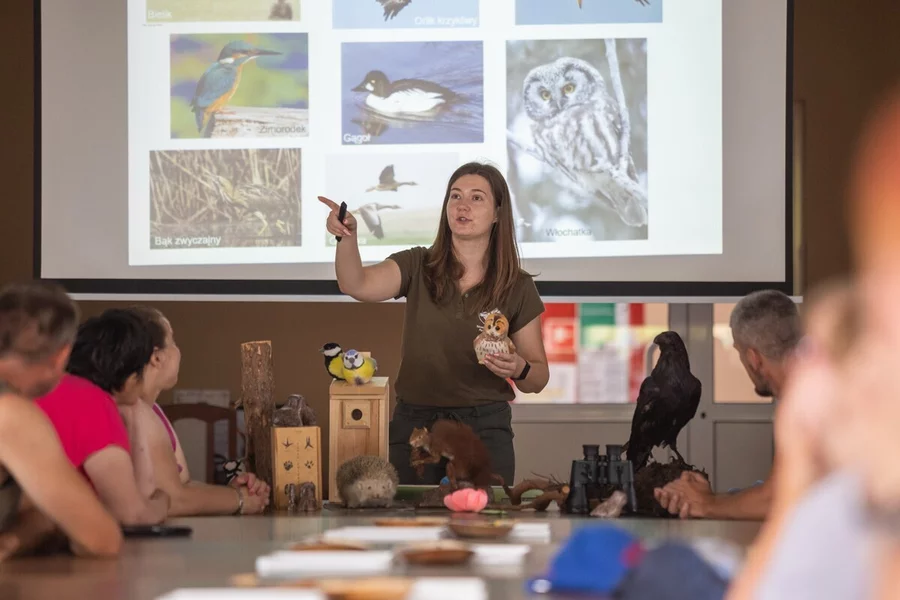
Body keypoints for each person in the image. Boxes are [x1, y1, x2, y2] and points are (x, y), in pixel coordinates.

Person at [318, 161, 549, 484]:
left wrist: (518, 368)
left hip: (485, 429)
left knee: (486, 529)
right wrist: (347, 237)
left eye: (477, 198)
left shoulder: (517, 285)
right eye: (455, 196)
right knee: (414, 529)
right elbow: (356, 284)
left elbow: (537, 378)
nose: (462, 205)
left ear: (498, 213)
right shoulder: (417, 263)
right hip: (417, 425)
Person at [654, 289, 801, 520]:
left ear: (753, 359)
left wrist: (708, 504)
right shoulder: (807, 389)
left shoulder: (806, 403)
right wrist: (713, 498)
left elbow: (777, 500)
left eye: (739, 353)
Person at [0, 281, 122, 559]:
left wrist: (13, 540)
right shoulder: (10, 414)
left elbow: (37, 511)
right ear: (62, 355)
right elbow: (101, 539)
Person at [124, 305, 270, 516]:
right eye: (172, 342)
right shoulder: (136, 412)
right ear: (156, 357)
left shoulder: (154, 411)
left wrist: (230, 494)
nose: (177, 350)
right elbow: (174, 499)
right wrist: (239, 500)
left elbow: (184, 485)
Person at [38, 309, 170, 525]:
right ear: (129, 376)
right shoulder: (92, 403)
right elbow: (133, 514)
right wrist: (163, 501)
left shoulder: (57, 390)